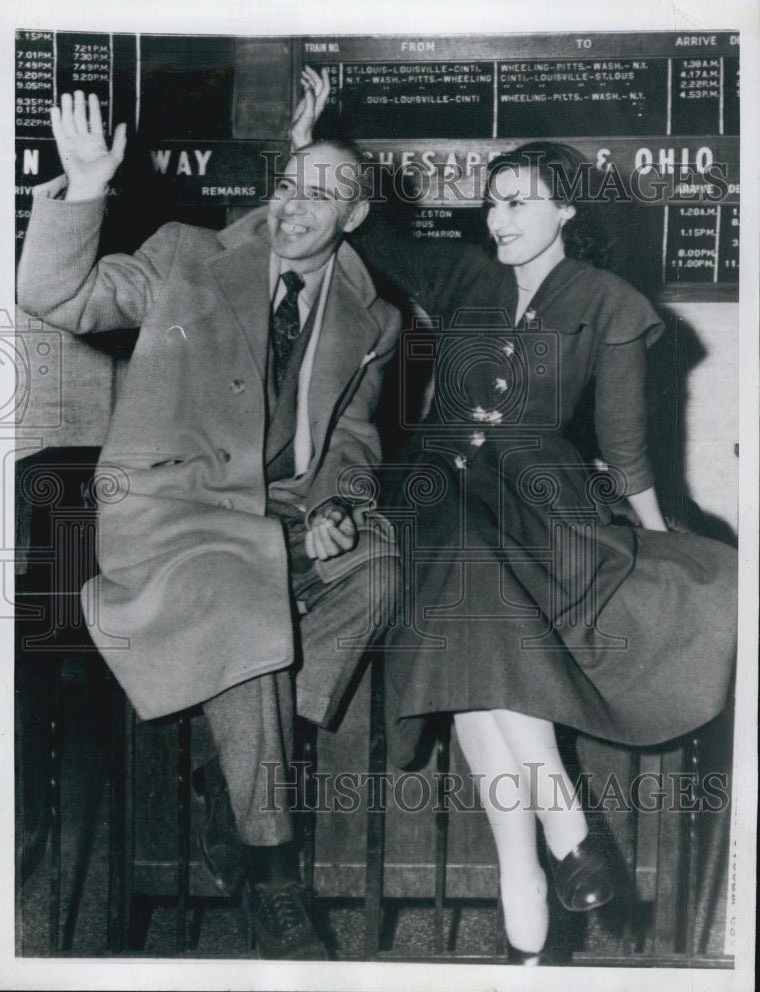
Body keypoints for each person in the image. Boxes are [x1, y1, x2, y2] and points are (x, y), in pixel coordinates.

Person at [292, 67, 737, 963]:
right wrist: (309, 146)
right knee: (457, 565)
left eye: (519, 203)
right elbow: (363, 221)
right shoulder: (463, 277)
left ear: (566, 210)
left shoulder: (612, 306)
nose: (497, 219)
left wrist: (655, 539)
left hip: (537, 503)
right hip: (434, 495)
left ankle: (524, 875)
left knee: (467, 620)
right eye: (493, 202)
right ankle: (560, 832)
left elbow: (625, 442)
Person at [17, 90, 402, 960]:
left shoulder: (373, 317)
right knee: (240, 593)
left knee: (379, 571)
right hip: (172, 518)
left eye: (323, 191)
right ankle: (271, 867)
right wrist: (82, 190)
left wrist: (338, 505)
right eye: (290, 183)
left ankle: (234, 766)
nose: (296, 204)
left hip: (286, 517)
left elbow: (352, 439)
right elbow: (58, 294)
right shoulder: (187, 256)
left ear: (357, 213)